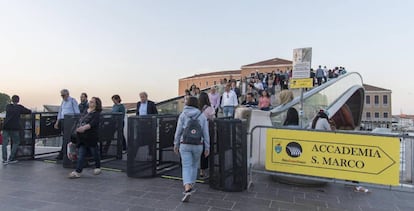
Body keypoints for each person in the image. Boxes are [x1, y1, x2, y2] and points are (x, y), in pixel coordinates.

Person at [174, 97, 210, 202]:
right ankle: (191, 185)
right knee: (194, 165)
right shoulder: (202, 115)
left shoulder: (183, 115)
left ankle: (187, 186)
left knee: (186, 166)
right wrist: (207, 147)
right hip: (198, 144)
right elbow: (205, 133)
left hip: (184, 144)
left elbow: (178, 131)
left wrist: (175, 144)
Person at [68, 97, 102, 178]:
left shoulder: (96, 114)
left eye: (92, 102)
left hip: (91, 137)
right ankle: (78, 171)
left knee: (95, 153)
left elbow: (92, 124)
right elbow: (80, 121)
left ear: (96, 104)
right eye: (90, 101)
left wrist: (84, 128)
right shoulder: (85, 112)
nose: (90, 103)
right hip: (82, 138)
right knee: (81, 154)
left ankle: (98, 167)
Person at [2, 95, 31, 165]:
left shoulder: (8, 106)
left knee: (4, 144)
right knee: (16, 142)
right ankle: (11, 158)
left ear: (12, 100)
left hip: (6, 127)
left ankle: (4, 159)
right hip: (14, 128)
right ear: (18, 100)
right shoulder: (19, 107)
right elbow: (29, 111)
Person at [54, 89, 80, 160]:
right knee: (64, 138)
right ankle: (63, 153)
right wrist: (57, 122)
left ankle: (64, 154)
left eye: (63, 95)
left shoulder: (72, 101)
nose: (62, 97)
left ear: (67, 94)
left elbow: (77, 112)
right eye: (61, 95)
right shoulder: (63, 102)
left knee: (68, 138)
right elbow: (60, 112)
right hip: (63, 121)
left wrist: (76, 122)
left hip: (70, 121)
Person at [198, 92, 214, 178]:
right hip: (206, 131)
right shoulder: (209, 108)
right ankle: (202, 170)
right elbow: (212, 119)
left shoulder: (196, 108)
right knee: (205, 151)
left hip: (196, 131)